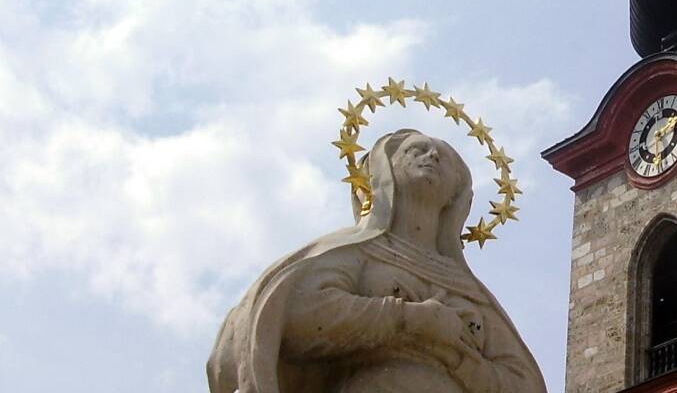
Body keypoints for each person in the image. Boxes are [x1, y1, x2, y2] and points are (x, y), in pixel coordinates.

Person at [207, 129, 546, 393]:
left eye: (444, 157)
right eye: (417, 149)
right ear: (386, 171)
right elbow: (295, 314)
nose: (431, 155)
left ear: (456, 196)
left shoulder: (465, 288)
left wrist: (456, 355)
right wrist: (410, 319)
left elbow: (523, 384)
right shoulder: (359, 253)